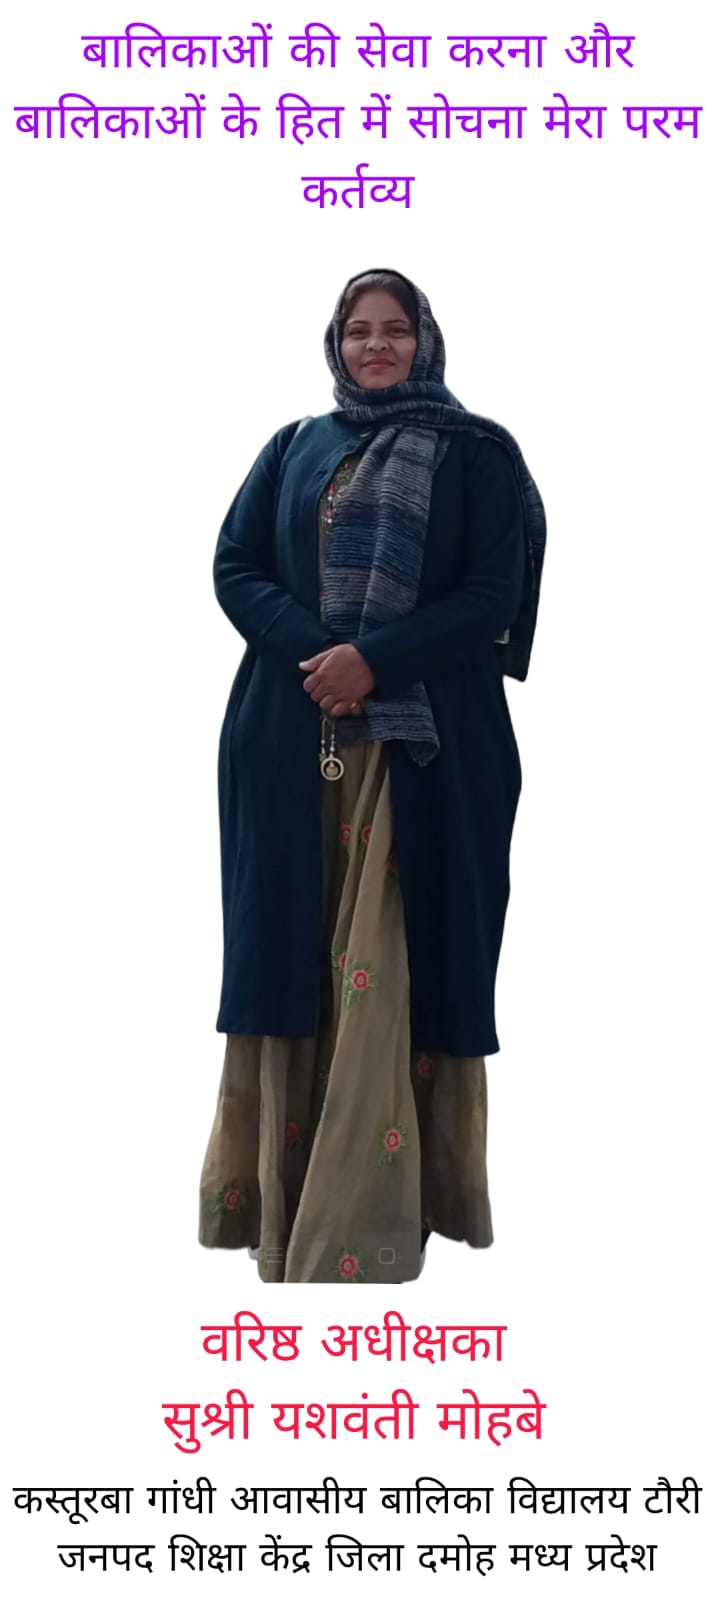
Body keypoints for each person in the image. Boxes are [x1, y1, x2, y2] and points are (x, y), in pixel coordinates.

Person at [198, 268, 546, 1284]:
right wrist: (323, 655)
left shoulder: (479, 455)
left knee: (396, 958)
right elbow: (234, 563)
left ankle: (377, 1217)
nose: (378, 345)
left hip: (427, 751)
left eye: (396, 329)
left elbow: (492, 592)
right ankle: (282, 1201)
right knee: (293, 954)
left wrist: (377, 661)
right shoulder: (294, 447)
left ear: (426, 341)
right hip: (288, 736)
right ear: (337, 342)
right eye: (360, 330)